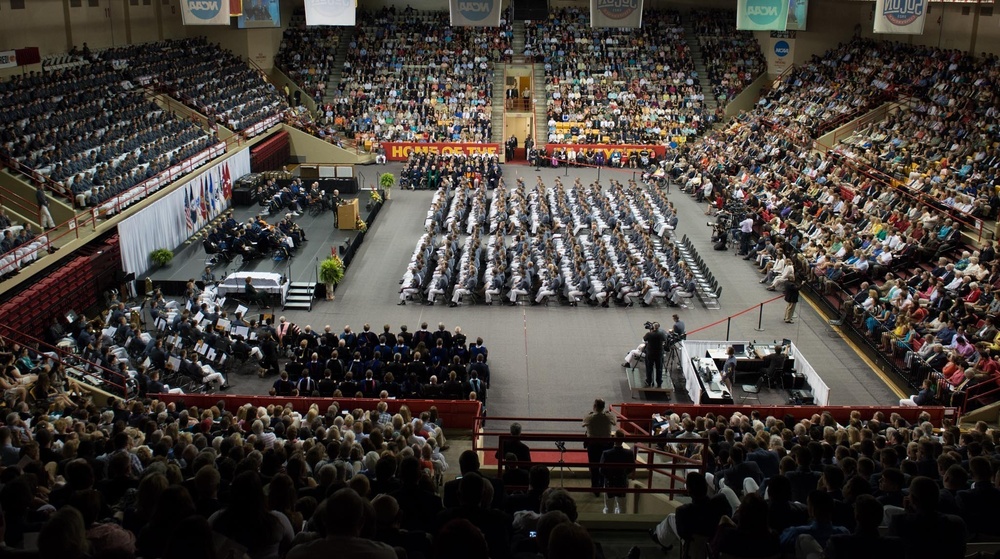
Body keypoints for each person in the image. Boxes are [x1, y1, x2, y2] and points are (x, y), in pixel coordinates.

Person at [650, 471, 731, 552]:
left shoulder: (683, 511)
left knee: (671, 518)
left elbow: (682, 534)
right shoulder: (721, 501)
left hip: (695, 547)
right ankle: (660, 538)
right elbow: (729, 516)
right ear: (706, 486)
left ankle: (660, 539)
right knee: (671, 518)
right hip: (718, 543)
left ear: (688, 491)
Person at [582, 398, 616, 495]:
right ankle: (601, 485)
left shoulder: (590, 417)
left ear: (595, 407)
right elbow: (615, 421)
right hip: (606, 445)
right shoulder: (608, 417)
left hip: (593, 446)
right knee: (603, 465)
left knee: (594, 466)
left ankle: (595, 487)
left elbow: (583, 422)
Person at [600, 430, 635, 514]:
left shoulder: (606, 454)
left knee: (608, 507)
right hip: (622, 481)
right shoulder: (629, 453)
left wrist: (609, 476)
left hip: (609, 482)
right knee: (622, 507)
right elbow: (631, 467)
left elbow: (601, 470)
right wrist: (623, 474)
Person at [643, 322, 667, 387]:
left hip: (650, 353)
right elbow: (665, 339)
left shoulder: (649, 334)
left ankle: (649, 381)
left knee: (649, 367)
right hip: (659, 353)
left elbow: (644, 338)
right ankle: (659, 382)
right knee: (659, 368)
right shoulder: (661, 334)